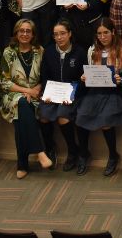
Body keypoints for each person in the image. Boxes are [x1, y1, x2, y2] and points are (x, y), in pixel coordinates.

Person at [76, 18, 122, 176]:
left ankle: (113, 156)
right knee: (81, 116)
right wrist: (85, 77)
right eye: (99, 33)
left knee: (106, 120)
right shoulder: (92, 50)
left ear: (113, 32)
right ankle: (83, 154)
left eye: (106, 33)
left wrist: (121, 80)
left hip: (115, 93)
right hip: (95, 92)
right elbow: (90, 72)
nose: (102, 37)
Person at [0, 18, 54, 178]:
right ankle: (40, 152)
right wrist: (26, 91)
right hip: (13, 94)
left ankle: (22, 164)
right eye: (21, 31)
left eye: (28, 31)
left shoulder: (40, 51)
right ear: (16, 33)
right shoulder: (9, 52)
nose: (25, 34)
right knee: (21, 103)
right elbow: (5, 82)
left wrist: (35, 89)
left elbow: (45, 77)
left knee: (21, 113)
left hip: (35, 95)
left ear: (33, 34)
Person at [39, 19, 88, 172]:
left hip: (74, 94)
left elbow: (84, 79)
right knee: (43, 115)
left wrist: (73, 94)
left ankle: (74, 152)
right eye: (56, 35)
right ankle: (50, 149)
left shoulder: (80, 52)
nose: (59, 37)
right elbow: (44, 76)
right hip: (53, 93)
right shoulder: (49, 51)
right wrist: (47, 93)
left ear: (70, 34)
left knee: (63, 116)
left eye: (62, 34)